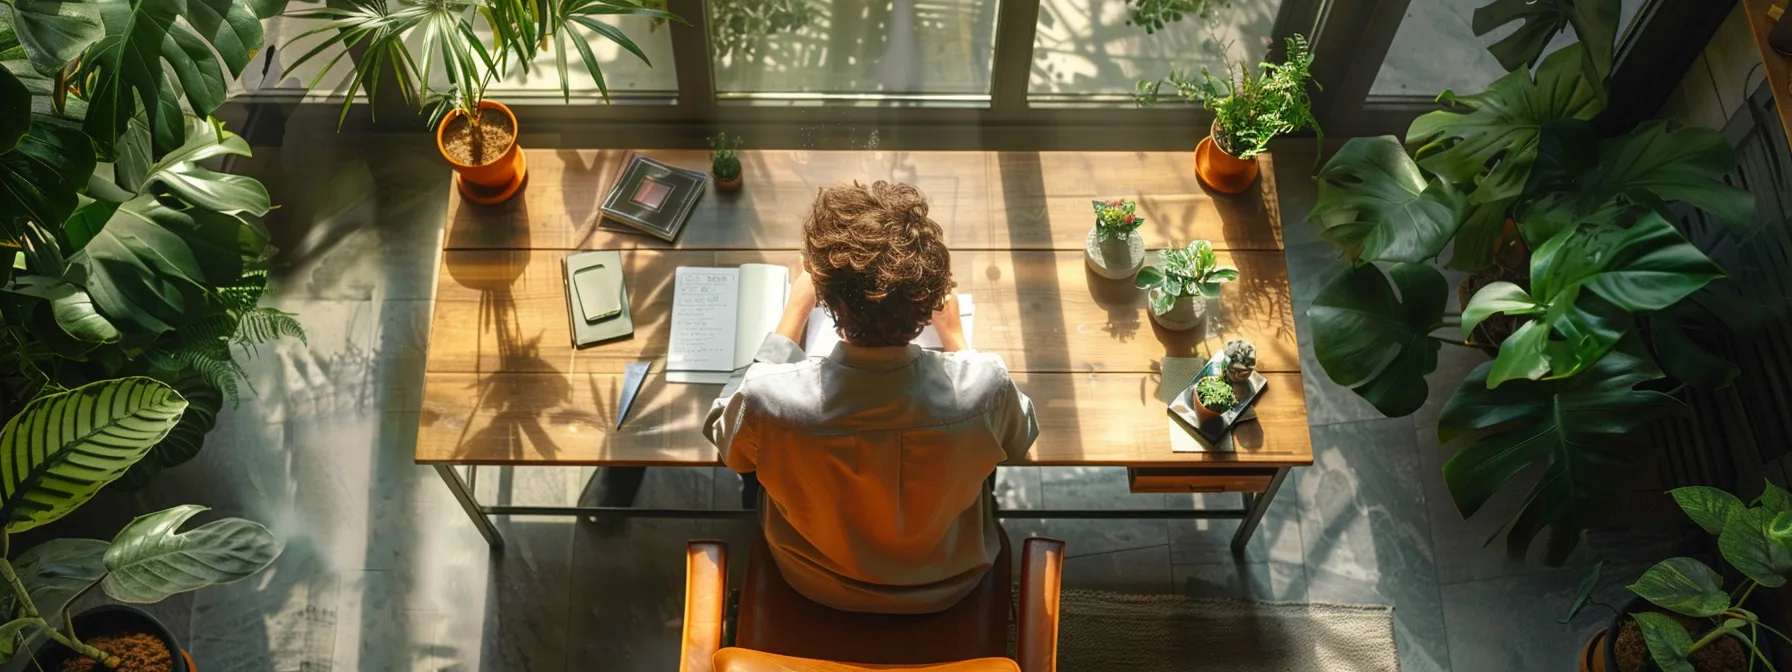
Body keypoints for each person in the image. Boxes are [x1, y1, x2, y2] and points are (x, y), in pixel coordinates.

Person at [703, 180, 1039, 615]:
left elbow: (728, 446)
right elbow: (1019, 441)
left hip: (814, 579)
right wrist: (955, 338)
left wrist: (793, 313)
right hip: (948, 583)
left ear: (830, 302)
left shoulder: (769, 400)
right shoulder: (985, 388)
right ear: (927, 304)